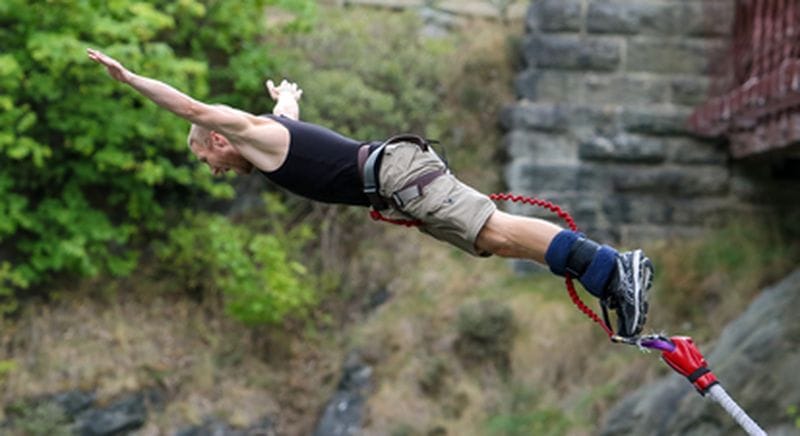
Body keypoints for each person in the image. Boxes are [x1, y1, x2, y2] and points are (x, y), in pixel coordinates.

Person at [87, 48, 654, 337]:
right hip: (395, 182)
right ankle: (604, 273)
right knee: (493, 242)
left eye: (205, 157)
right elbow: (287, 117)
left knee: (493, 229)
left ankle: (611, 269)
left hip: (397, 173)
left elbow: (189, 107)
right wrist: (288, 95)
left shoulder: (250, 134)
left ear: (218, 138)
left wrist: (131, 80)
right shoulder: (267, 136)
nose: (212, 169)